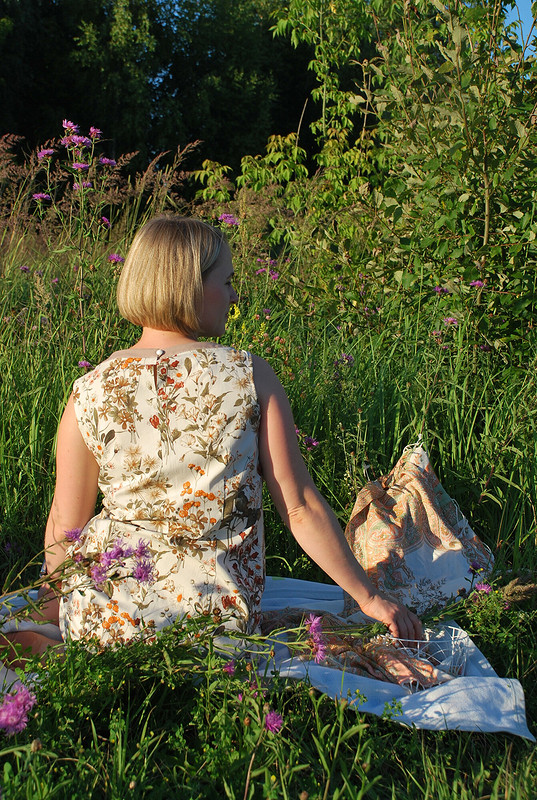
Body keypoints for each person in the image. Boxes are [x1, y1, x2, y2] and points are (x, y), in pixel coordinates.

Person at [2, 215, 421, 668]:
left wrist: (51, 602)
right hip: (213, 616)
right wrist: (369, 597)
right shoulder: (248, 375)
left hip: (104, 608)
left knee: (62, 630)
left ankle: (71, 646)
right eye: (227, 281)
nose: (236, 295)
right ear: (190, 286)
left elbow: (67, 520)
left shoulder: (90, 388)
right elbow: (298, 506)